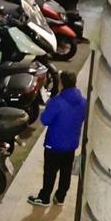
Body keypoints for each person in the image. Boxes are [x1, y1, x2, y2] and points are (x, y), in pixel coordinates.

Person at [28, 72, 87, 206]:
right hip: (71, 145)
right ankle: (60, 197)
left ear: (62, 83)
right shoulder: (83, 102)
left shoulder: (57, 102)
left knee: (50, 172)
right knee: (65, 172)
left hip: (54, 145)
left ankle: (44, 197)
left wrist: (48, 106)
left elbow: (45, 120)